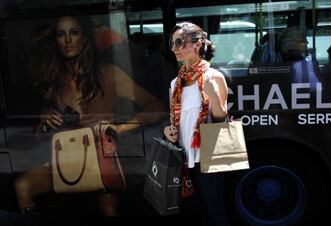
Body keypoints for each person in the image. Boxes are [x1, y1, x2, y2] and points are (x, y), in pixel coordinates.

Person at [14, 14, 165, 215]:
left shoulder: (108, 74)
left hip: (100, 158)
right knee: (23, 187)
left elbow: (157, 106)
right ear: (56, 41)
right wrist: (44, 121)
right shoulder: (54, 81)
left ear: (84, 39)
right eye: (61, 34)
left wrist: (119, 126)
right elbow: (40, 136)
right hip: (65, 158)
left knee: (108, 207)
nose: (68, 40)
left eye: (74, 32)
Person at [165, 22, 231, 226]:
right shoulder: (175, 84)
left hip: (208, 153)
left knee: (216, 211)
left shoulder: (214, 76)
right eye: (172, 43)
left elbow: (221, 118)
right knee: (197, 212)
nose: (174, 48)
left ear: (197, 44)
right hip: (184, 156)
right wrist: (169, 131)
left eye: (179, 42)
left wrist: (213, 95)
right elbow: (174, 119)